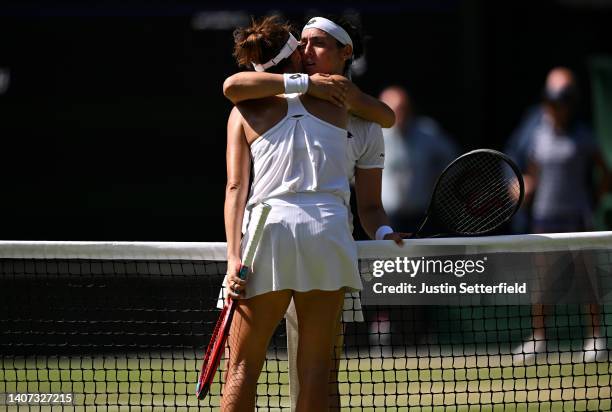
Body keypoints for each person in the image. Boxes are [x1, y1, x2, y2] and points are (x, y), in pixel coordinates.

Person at [222, 15, 407, 410]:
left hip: (279, 233)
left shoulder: (358, 116)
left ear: (345, 53)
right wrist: (311, 84)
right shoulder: (272, 93)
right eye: (302, 43)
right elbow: (232, 86)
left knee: (249, 368)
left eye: (318, 43)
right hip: (323, 234)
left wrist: (383, 231)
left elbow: (372, 203)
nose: (307, 51)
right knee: (314, 372)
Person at [510, 67, 610, 363]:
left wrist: (592, 200)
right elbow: (532, 172)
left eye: (561, 103)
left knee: (587, 281)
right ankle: (538, 339)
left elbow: (604, 173)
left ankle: (595, 340)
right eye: (551, 103)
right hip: (545, 219)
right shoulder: (536, 135)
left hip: (577, 219)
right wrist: (526, 187)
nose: (555, 108)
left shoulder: (583, 135)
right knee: (542, 283)